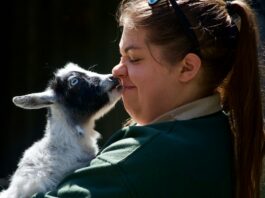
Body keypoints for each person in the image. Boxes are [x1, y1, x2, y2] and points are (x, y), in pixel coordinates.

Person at [33, 0, 264, 197]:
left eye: (134, 58)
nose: (116, 70)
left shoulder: (142, 156)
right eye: (121, 55)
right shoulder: (220, 131)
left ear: (187, 68)